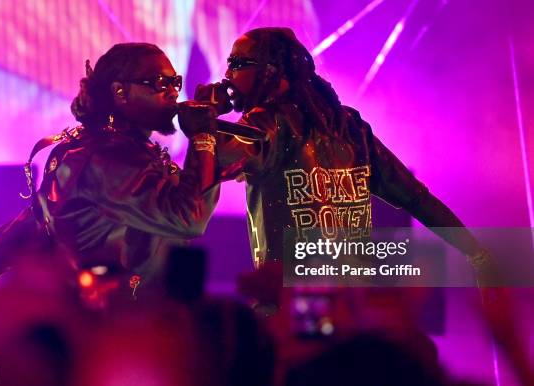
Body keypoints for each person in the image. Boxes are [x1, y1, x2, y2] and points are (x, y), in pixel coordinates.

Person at [195, 27, 493, 279]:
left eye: (237, 62)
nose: (227, 74)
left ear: (270, 71)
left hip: (287, 304)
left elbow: (206, 170)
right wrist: (475, 253)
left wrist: (204, 116)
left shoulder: (265, 122)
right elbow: (415, 198)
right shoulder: (349, 126)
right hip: (354, 300)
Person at [0, 43, 220, 303]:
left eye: (175, 82)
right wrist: (203, 137)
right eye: (160, 83)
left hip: (116, 317)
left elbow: (36, 222)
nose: (173, 91)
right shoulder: (108, 158)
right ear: (120, 91)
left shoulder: (110, 146)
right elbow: (187, 217)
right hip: (110, 324)